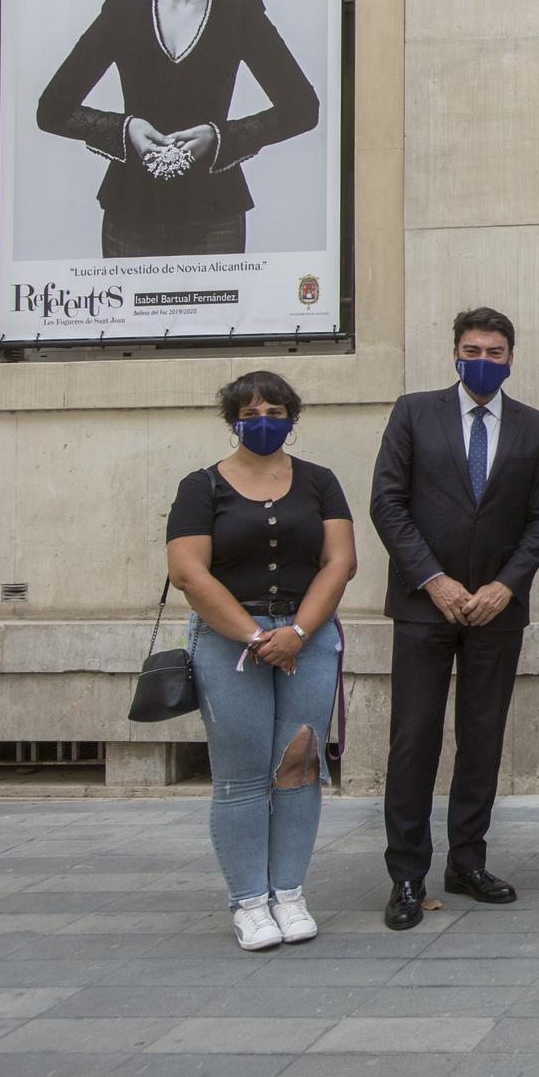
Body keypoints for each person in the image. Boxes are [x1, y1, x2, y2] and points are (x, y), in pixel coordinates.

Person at [370, 307, 539, 930]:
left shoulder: (534, 428)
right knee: (415, 738)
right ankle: (406, 874)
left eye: (496, 350)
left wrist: (508, 586)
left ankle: (468, 861)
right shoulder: (412, 412)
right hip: (426, 607)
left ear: (511, 357)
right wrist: (436, 579)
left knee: (482, 740)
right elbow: (388, 504)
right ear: (454, 351)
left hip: (496, 611)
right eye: (472, 348)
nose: (483, 359)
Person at [165, 371, 356, 951]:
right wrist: (255, 637)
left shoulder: (320, 482)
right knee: (242, 772)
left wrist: (297, 631)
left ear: (292, 418)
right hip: (230, 641)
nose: (264, 420)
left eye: (275, 410)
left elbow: (339, 561)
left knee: (298, 764)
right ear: (232, 420)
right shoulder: (201, 487)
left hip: (308, 634)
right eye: (251, 412)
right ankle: (250, 900)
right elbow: (188, 571)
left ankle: (290, 892)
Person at [37, 0, 319, 258]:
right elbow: (51, 109)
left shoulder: (240, 14)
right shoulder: (121, 14)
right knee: (134, 319)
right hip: (130, 210)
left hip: (215, 213)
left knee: (219, 319)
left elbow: (302, 108)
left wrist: (217, 138)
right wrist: (127, 128)